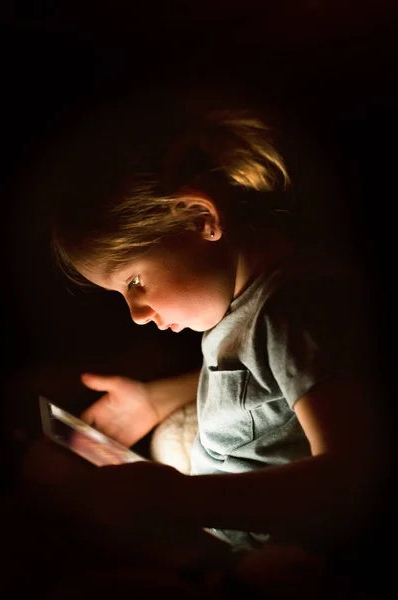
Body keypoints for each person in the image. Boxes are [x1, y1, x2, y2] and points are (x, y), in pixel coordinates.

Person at [21, 78, 389, 594]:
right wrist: (153, 400)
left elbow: (350, 476)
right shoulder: (243, 306)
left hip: (266, 540)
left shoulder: (295, 308)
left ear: (199, 218)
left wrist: (184, 500)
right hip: (215, 513)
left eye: (134, 282)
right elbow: (266, 388)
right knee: (53, 469)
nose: (136, 313)